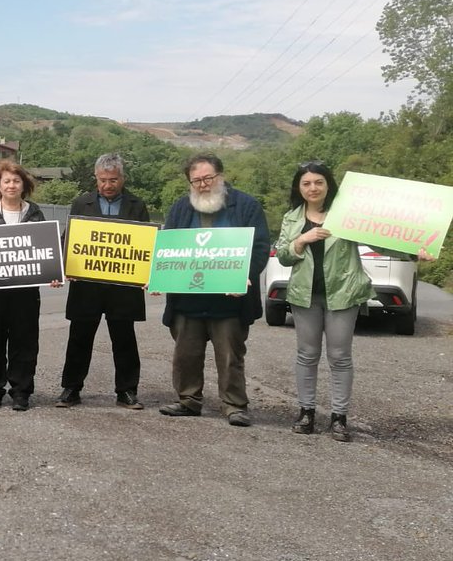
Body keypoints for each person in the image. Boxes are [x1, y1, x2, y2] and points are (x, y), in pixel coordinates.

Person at [275, 160, 432, 442]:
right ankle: (306, 412)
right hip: (305, 295)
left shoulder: (346, 215)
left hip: (343, 293)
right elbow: (284, 256)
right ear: (299, 187)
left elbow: (381, 241)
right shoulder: (291, 218)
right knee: (306, 354)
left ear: (328, 185)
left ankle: (339, 417)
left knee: (340, 356)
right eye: (306, 183)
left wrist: (415, 249)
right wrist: (301, 240)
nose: (313, 188)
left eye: (319, 182)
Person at [157, 153, 270, 426]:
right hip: (188, 299)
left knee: (230, 355)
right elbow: (169, 248)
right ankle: (188, 400)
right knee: (185, 354)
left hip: (230, 300)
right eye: (196, 180)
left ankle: (234, 405)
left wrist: (245, 275)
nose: (203, 184)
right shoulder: (180, 208)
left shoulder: (246, 206)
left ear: (220, 176)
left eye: (208, 178)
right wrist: (159, 276)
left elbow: (260, 247)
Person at [57, 153, 151, 410]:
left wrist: (147, 274)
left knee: (124, 340)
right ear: (95, 178)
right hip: (86, 286)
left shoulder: (137, 205)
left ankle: (127, 391)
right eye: (103, 180)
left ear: (122, 178)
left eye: (113, 180)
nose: (108, 185)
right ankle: (71, 389)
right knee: (79, 338)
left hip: (123, 289)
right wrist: (66, 266)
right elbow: (69, 240)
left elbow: (146, 246)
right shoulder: (81, 203)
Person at [0, 161, 49, 411]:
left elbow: (45, 251)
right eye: (6, 181)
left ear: (24, 185)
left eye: (16, 181)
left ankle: (20, 391)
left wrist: (52, 273)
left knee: (24, 341)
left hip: (25, 293)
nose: (11, 185)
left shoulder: (35, 213)